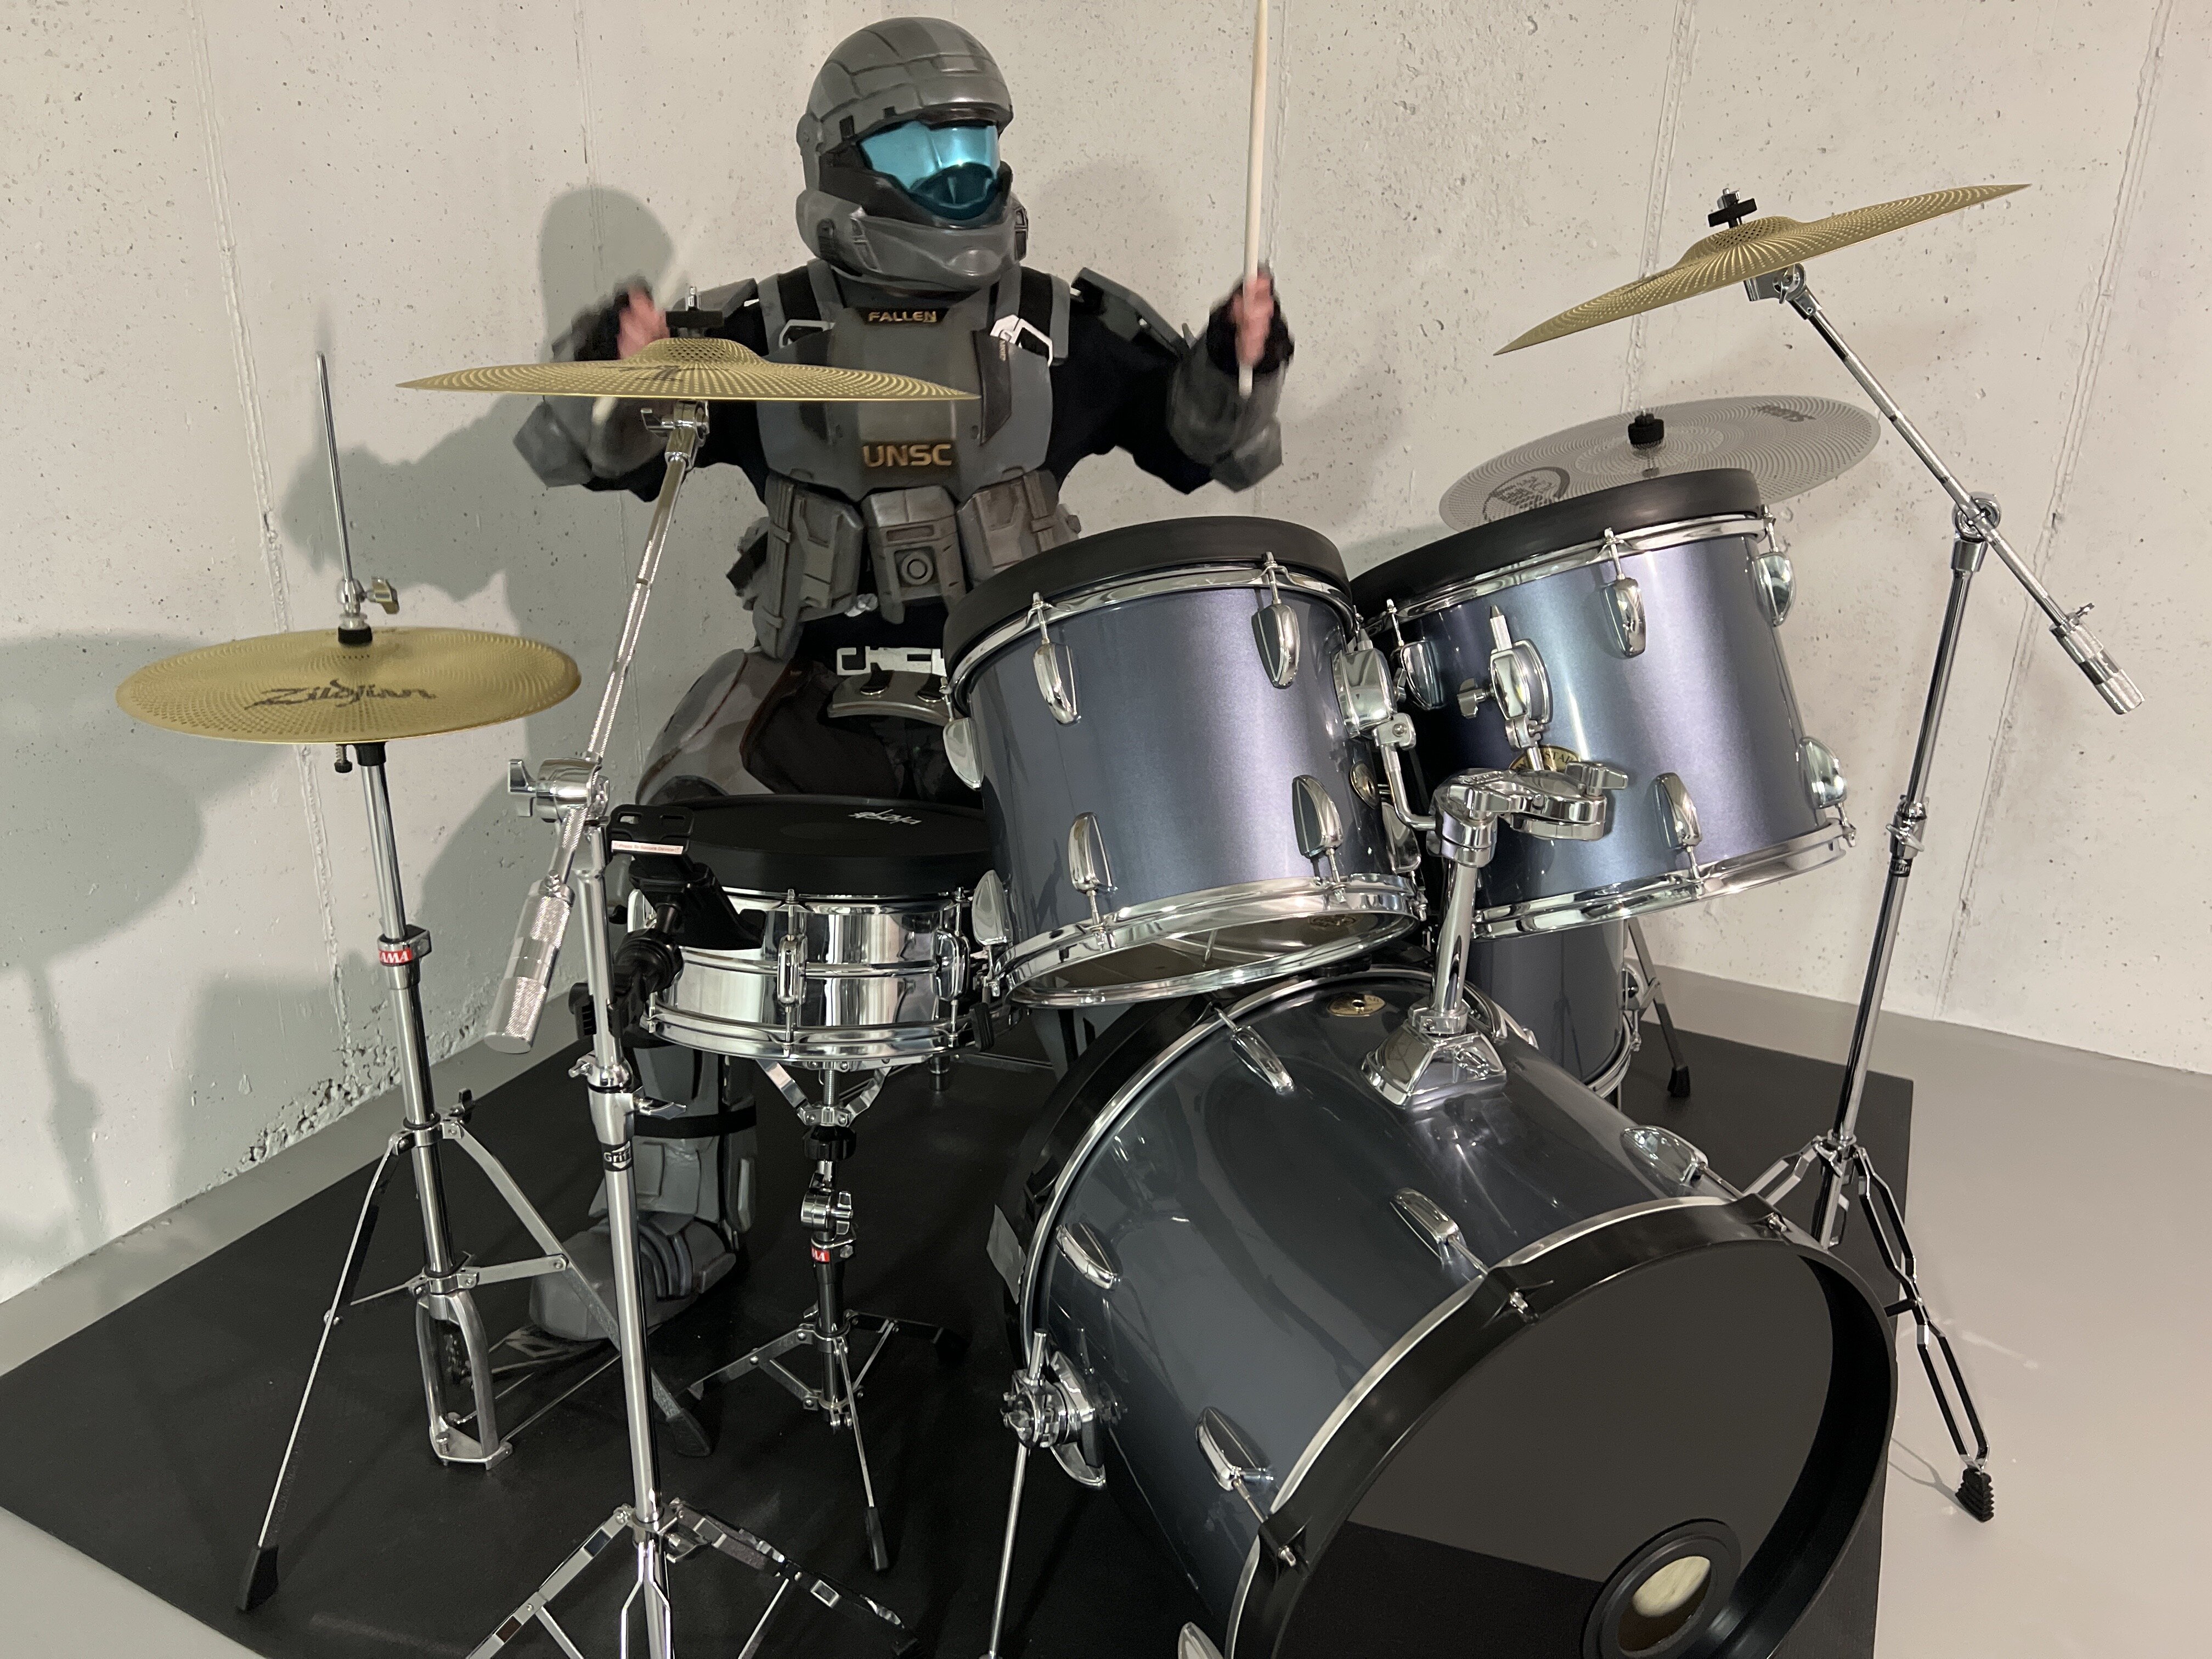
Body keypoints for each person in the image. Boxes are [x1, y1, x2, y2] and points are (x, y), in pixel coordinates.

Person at [516, 14, 1292, 804]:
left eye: (975, 146)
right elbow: (596, 456)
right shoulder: (764, 334)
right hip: (813, 719)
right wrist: (618, 373)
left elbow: (1199, 445)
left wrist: (1234, 364)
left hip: (1016, 709)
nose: (961, 175)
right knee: (682, 834)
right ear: (844, 160)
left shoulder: (1058, 329)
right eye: (925, 151)